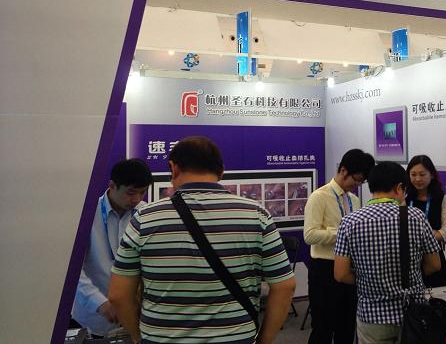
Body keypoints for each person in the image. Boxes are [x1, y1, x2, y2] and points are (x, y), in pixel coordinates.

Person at [108, 136, 296, 344]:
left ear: (173, 168)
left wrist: (138, 337)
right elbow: (284, 286)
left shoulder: (144, 218)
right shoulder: (257, 215)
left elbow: (118, 295)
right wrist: (264, 340)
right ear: (221, 171)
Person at [333, 161, 441, 343]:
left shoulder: (349, 222)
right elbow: (434, 265)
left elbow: (341, 274)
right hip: (412, 313)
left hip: (371, 315)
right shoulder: (416, 217)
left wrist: (368, 280)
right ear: (399, 188)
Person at [72, 158, 153, 337]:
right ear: (112, 185)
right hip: (93, 316)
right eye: (131, 192)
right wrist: (99, 302)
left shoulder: (146, 215)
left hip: (136, 317)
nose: (136, 199)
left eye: (142, 192)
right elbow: (72, 270)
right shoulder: (86, 214)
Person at [303, 149, 375, 344]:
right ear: (343, 170)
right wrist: (342, 232)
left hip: (349, 270)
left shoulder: (354, 200)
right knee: (323, 328)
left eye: (361, 182)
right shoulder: (319, 196)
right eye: (356, 180)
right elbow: (309, 235)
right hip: (324, 270)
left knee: (347, 326)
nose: (357, 185)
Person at [406, 155, 446, 287]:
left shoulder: (441, 198)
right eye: (413, 174)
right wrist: (432, 234)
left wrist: (421, 235)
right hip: (410, 258)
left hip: (434, 258)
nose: (417, 179)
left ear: (432, 175)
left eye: (422, 174)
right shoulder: (405, 198)